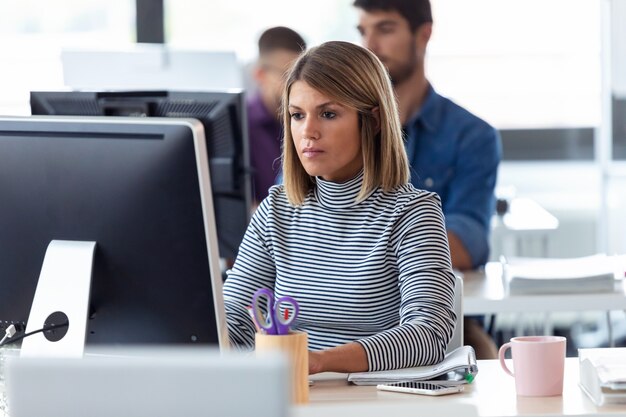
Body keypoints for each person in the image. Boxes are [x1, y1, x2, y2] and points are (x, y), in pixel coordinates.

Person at [224, 41, 456, 374]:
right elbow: (235, 316)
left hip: (376, 402)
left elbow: (428, 335)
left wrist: (319, 362)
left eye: (328, 114)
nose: (308, 132)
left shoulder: (413, 214)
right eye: (297, 115)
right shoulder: (276, 209)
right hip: (292, 399)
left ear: (373, 120)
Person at [353, 0, 502, 359]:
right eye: (362, 31)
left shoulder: (471, 135)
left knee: (483, 360)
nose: (369, 46)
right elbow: (297, 218)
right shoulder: (334, 127)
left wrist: (355, 252)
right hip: (337, 316)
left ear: (424, 34)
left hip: (437, 319)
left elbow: (468, 242)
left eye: (385, 29)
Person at [247, 26, 306, 204]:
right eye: (287, 74)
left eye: (301, 74)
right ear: (260, 74)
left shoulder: (310, 122)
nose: (295, 84)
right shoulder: (242, 125)